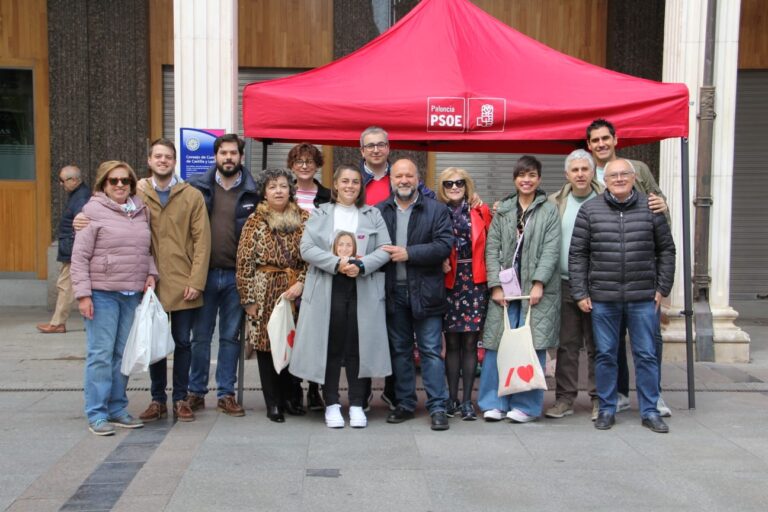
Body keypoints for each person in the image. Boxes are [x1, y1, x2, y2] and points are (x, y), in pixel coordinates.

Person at [569, 158, 675, 433]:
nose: (618, 179)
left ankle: (650, 411)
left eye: (623, 175)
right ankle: (607, 408)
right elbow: (578, 254)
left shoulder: (652, 208)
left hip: (643, 297)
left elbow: (666, 250)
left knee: (646, 355)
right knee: (605, 355)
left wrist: (662, 288)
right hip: (604, 297)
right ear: (604, 180)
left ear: (633, 177)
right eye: (613, 175)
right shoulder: (589, 210)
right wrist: (580, 292)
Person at [291, 165, 392, 429]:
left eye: (355, 182)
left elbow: (385, 249)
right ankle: (333, 402)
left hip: (362, 286)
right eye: (344, 181)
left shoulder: (373, 215)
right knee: (331, 345)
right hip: (328, 285)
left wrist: (361, 265)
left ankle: (358, 403)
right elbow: (307, 248)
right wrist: (336, 262)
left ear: (361, 186)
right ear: (335, 185)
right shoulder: (321, 213)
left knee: (358, 345)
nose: (350, 186)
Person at [586, 118, 672, 417]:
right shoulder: (584, 169)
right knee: (610, 346)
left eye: (605, 138)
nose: (601, 144)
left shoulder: (638, 168)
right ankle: (619, 394)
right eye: (595, 140)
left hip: (641, 275)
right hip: (606, 279)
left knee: (649, 344)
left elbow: (659, 208)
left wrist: (662, 284)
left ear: (615, 139)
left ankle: (654, 397)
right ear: (589, 145)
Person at [70, 161, 158, 436]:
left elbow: (146, 249)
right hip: (102, 294)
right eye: (113, 181)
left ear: (132, 184)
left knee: (123, 355)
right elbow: (79, 257)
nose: (120, 185)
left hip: (131, 293)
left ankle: (117, 408)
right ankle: (96, 413)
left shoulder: (140, 211)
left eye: (125, 181)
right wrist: (83, 295)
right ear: (103, 185)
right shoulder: (91, 212)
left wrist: (151, 273)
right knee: (100, 355)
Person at [135, 139, 211, 423]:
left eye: (168, 157)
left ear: (175, 161)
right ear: (149, 160)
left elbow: (202, 241)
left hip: (183, 281)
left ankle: (180, 398)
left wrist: (196, 280)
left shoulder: (191, 195)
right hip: (150, 281)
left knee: (182, 342)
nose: (163, 161)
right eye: (158, 156)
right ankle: (157, 400)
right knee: (155, 343)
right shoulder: (138, 193)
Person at [481, 156, 561, 423]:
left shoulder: (548, 210)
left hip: (534, 290)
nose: (526, 180)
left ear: (539, 179)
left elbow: (552, 249)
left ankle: (525, 405)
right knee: (496, 344)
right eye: (521, 175)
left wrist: (539, 282)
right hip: (504, 288)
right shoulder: (503, 209)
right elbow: (491, 249)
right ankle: (494, 401)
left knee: (530, 344)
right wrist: (494, 285)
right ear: (515, 179)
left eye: (532, 175)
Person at [187, 133, 260, 417]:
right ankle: (195, 392)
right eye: (223, 153)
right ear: (215, 157)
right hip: (203, 273)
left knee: (230, 337)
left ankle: (226, 393)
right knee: (200, 337)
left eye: (233, 153)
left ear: (241, 157)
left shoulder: (254, 191)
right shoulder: (196, 187)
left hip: (236, 276)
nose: (228, 158)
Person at [377, 158, 453, 431]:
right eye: (399, 176)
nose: (404, 180)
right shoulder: (379, 210)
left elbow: (444, 245)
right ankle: (406, 403)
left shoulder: (436, 210)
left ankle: (438, 407)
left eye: (409, 175)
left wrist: (409, 253)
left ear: (418, 178)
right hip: (393, 292)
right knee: (400, 351)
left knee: (431, 351)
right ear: (391, 180)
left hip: (427, 292)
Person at [236, 168, 309, 423]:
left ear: (291, 189)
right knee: (267, 346)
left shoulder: (305, 218)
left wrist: (301, 282)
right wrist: (248, 300)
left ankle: (291, 397)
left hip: (296, 292)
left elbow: (313, 258)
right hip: (263, 289)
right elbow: (244, 262)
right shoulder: (254, 221)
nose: (278, 190)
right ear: (264, 192)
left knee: (293, 343)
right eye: (272, 186)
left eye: (282, 185)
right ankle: (273, 402)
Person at [544, 150, 601, 421]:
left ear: (592, 173)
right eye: (575, 170)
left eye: (584, 169)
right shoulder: (555, 201)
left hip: (600, 285)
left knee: (599, 345)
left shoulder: (606, 199)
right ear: (567, 174)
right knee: (566, 345)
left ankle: (600, 399)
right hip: (564, 284)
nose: (580, 174)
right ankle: (564, 398)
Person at [436, 167, 491, 421]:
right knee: (452, 343)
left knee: (470, 342)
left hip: (475, 280)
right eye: (449, 184)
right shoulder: (436, 211)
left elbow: (493, 243)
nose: (454, 187)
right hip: (449, 281)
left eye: (459, 183)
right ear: (442, 187)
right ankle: (451, 398)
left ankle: (467, 401)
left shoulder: (481, 210)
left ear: (467, 185)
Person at [286, 142, 330, 412]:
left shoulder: (328, 196)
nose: (304, 165)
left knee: (316, 334)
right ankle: (292, 391)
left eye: (309, 161)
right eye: (299, 161)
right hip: (288, 273)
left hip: (318, 272)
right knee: (291, 333)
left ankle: (315, 389)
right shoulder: (281, 191)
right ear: (292, 165)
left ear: (317, 165)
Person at [37, 165, 90, 334]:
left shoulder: (81, 198)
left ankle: (58, 323)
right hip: (73, 248)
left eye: (62, 180)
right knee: (69, 285)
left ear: (73, 180)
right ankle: (64, 322)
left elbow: (82, 226)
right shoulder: (78, 195)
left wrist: (76, 252)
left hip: (74, 250)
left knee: (65, 285)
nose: (61, 184)